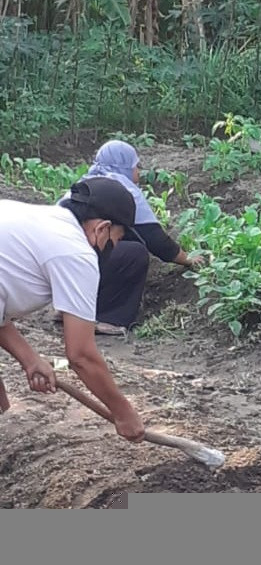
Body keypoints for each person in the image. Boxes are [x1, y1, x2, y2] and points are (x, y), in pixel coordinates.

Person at [0, 177, 147, 440]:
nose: (113, 246)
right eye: (118, 237)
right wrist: (124, 412)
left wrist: (30, 360)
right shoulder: (76, 254)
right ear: (102, 229)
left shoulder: (34, 220)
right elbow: (81, 355)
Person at [59, 140, 202, 335]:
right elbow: (155, 239)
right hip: (79, 259)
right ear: (125, 166)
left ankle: (68, 308)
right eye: (136, 166)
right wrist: (187, 259)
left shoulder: (85, 183)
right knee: (134, 253)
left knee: (117, 243)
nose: (139, 173)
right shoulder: (122, 189)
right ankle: (107, 317)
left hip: (59, 264)